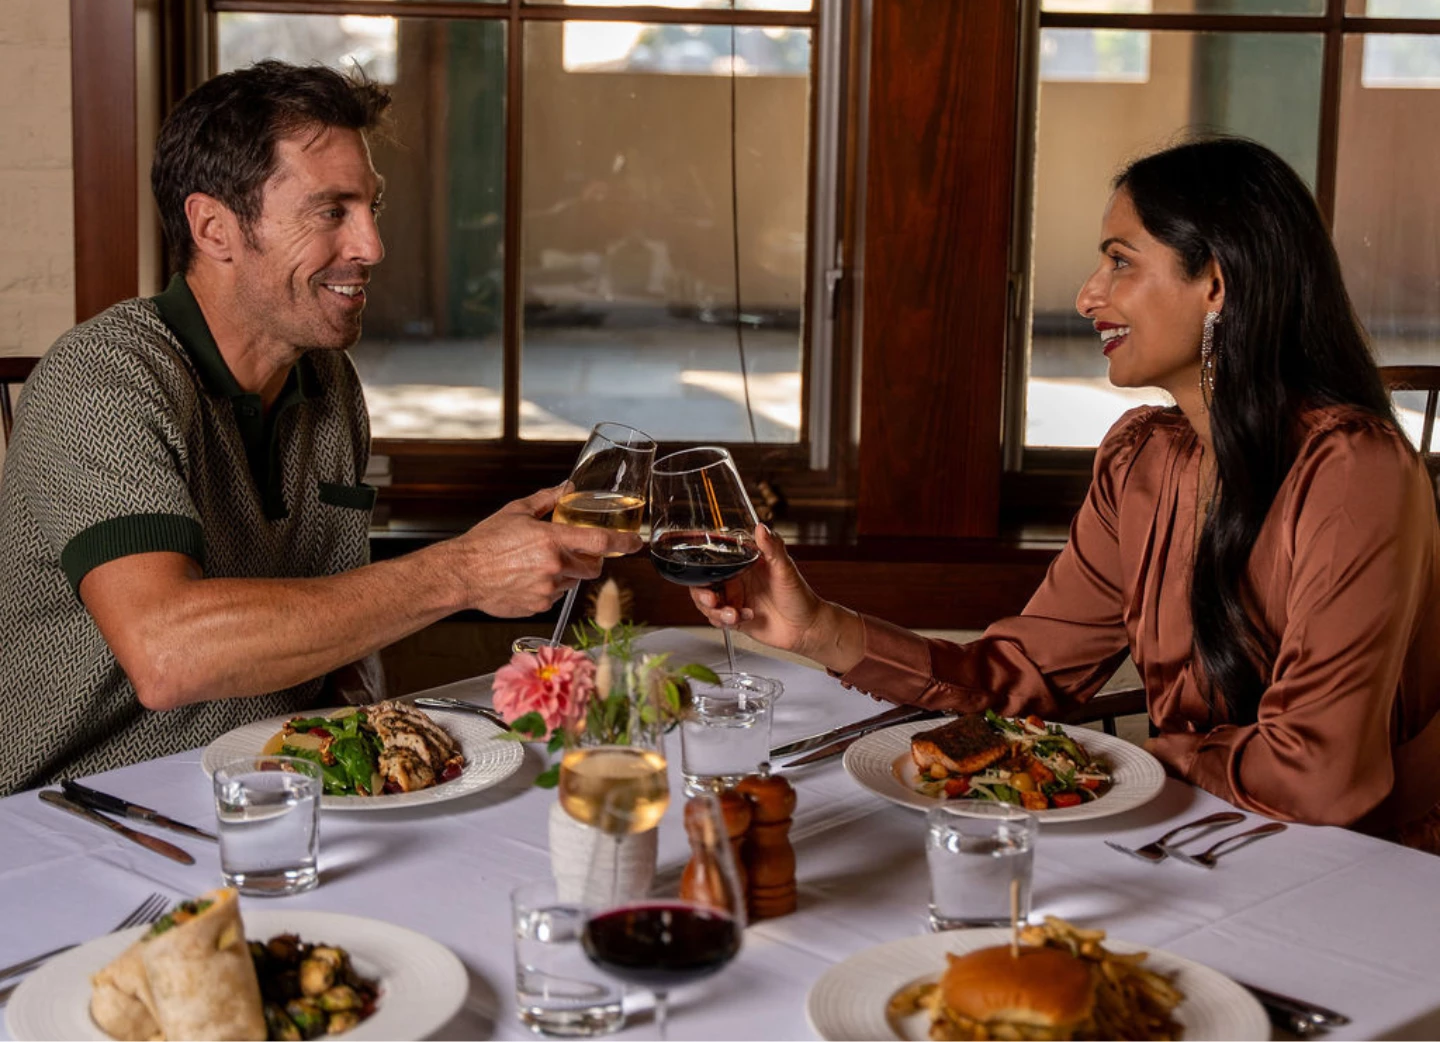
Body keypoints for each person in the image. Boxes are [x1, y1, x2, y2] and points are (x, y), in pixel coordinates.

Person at [691, 137, 1440, 845]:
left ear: (1217, 282)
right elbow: (1023, 678)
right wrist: (816, 629)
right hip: (1197, 839)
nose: (1087, 296)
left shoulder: (1353, 472)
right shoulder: (1143, 459)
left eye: (1120, 261)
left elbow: (1319, 776)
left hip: (1369, 873)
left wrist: (1151, 758)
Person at [0, 61, 639, 796]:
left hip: (275, 785)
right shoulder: (103, 379)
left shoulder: (328, 381)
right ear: (213, 228)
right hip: (80, 807)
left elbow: (340, 625)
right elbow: (167, 655)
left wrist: (377, 740)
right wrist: (463, 571)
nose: (372, 246)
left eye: (371, 207)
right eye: (331, 211)